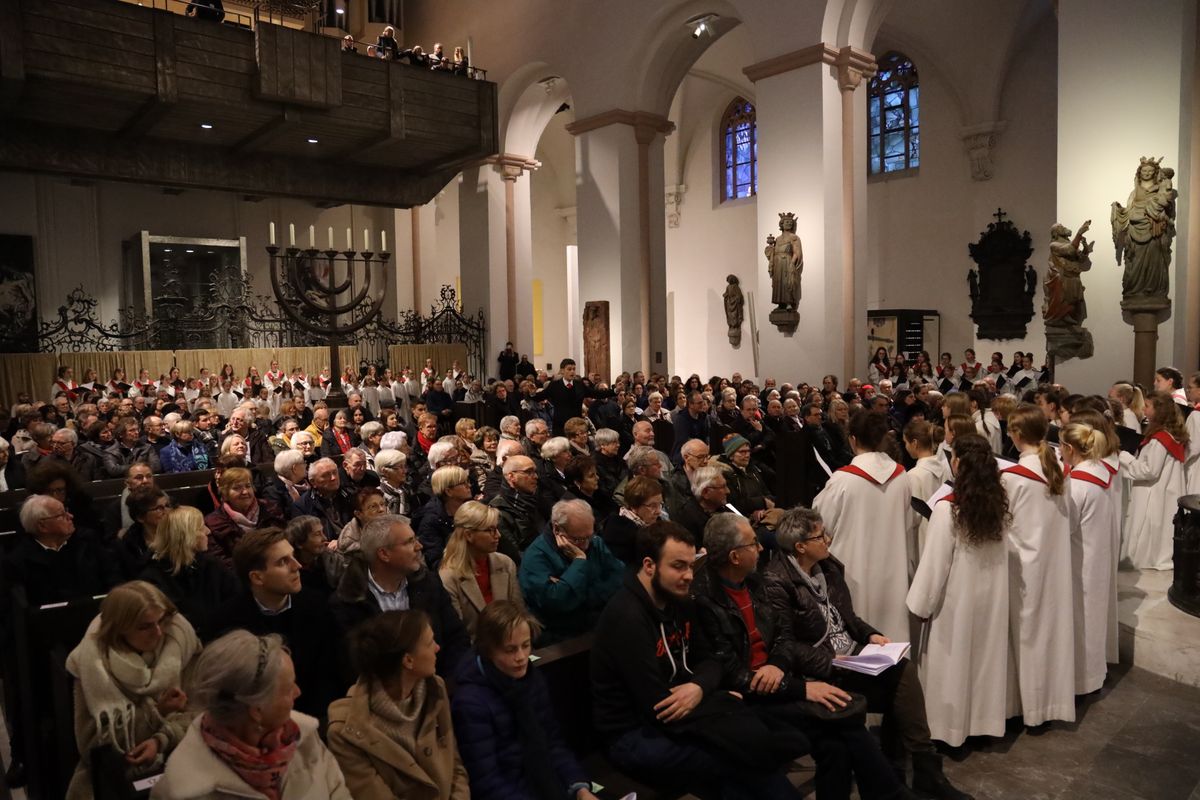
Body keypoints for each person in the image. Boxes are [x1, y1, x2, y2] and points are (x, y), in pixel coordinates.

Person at [591, 521, 811, 799]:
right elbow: (658, 704)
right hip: (634, 732)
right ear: (649, 565)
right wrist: (716, 697)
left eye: (690, 565)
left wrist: (699, 688)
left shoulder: (680, 601)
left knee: (754, 753)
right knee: (737, 757)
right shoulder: (627, 617)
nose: (688, 575)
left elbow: (711, 660)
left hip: (686, 711)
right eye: (678, 566)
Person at [762, 509, 971, 798]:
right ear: (800, 546)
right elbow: (785, 643)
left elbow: (848, 617)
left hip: (851, 655)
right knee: (898, 690)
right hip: (823, 667)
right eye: (820, 536)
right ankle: (905, 774)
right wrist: (832, 661)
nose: (827, 540)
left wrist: (871, 635)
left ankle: (919, 767)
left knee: (902, 671)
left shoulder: (827, 567)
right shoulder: (776, 580)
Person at [151, 630, 352, 799]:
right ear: (257, 710)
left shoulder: (303, 737)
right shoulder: (181, 791)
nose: (298, 692)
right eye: (288, 688)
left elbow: (338, 791)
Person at [906, 434, 1012, 746]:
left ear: (958, 464)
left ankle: (949, 731)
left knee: (953, 664)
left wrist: (920, 606)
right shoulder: (998, 503)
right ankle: (982, 725)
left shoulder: (947, 509)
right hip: (991, 598)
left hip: (957, 601)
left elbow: (935, 564)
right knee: (983, 663)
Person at [65, 581, 200, 800]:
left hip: (183, 755)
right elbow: (93, 747)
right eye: (145, 626)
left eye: (161, 621)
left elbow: (201, 712)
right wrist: (157, 713)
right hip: (119, 771)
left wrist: (160, 739)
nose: (158, 632)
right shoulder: (93, 664)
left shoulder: (180, 643)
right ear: (120, 629)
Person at [451, 601, 597, 800]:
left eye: (526, 645)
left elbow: (553, 744)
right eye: (510, 650)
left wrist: (580, 788)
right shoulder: (470, 703)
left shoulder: (533, 679)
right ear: (488, 650)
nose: (521, 657)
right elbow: (486, 782)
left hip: (546, 785)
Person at [326, 610, 470, 800]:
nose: (437, 648)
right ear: (408, 660)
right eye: (429, 643)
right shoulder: (345, 731)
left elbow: (455, 767)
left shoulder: (436, 689)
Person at [1001, 405, 1076, 727]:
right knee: (1050, 635)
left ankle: (1026, 708)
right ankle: (1050, 703)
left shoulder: (1012, 477)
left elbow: (1002, 525)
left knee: (1026, 637)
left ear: (1017, 434)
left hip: (1022, 567)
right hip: (1053, 565)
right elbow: (1069, 519)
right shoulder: (1059, 469)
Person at [813, 411, 915, 641]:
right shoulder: (902, 476)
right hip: (893, 568)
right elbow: (908, 522)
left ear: (853, 439)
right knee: (892, 637)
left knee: (857, 634)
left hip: (853, 568)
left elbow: (820, 523)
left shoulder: (843, 479)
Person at [330, 515, 470, 681]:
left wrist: (447, 684)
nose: (419, 546)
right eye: (409, 542)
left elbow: (456, 637)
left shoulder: (429, 584)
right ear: (384, 554)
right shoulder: (347, 602)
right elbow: (350, 666)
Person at [1061, 421, 1120, 695]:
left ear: (1070, 449)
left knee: (1080, 620)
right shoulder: (1099, 473)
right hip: (1096, 558)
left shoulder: (1078, 485)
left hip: (1079, 561)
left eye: (1061, 447)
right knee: (1092, 618)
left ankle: (1079, 680)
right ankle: (1093, 674)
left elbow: (1066, 526)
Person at [517, 498, 623, 645]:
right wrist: (579, 561)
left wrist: (578, 593)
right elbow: (556, 602)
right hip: (559, 638)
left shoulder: (595, 543)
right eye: (578, 539)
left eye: (589, 536)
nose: (586, 545)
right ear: (557, 529)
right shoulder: (536, 556)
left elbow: (619, 579)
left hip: (600, 625)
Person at [139, 506, 239, 636]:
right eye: (201, 528)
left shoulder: (211, 564)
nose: (208, 531)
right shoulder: (152, 578)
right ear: (186, 535)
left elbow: (237, 599)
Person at [438, 501, 524, 641]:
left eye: (497, 529)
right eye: (490, 530)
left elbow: (518, 613)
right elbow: (458, 636)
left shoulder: (506, 563)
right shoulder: (449, 577)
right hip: (475, 649)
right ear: (469, 535)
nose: (498, 535)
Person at [204, 467, 287, 567]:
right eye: (237, 488)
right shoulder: (213, 522)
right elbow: (220, 561)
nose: (245, 492)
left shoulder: (270, 508)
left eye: (248, 486)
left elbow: (284, 540)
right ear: (225, 493)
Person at [903, 419, 948, 565]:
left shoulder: (914, 475)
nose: (905, 447)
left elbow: (912, 518)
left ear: (914, 443)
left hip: (923, 538)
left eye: (906, 442)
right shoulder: (945, 468)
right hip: (943, 534)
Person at [413, 465, 473, 570]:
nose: (469, 485)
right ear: (449, 491)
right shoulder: (431, 521)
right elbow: (436, 562)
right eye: (463, 483)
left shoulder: (469, 509)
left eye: (467, 481)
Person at [489, 454, 544, 563]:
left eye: (535, 472)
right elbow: (514, 554)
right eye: (529, 472)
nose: (536, 476)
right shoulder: (498, 510)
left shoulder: (535, 499)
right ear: (511, 476)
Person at [601, 475, 662, 565]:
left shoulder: (655, 524)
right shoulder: (619, 534)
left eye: (660, 504)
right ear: (634, 506)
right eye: (652, 506)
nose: (658, 511)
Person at [116, 486, 172, 579]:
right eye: (159, 508)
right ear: (140, 517)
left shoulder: (179, 533)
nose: (167, 511)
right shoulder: (128, 544)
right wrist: (151, 552)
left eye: (167, 506)